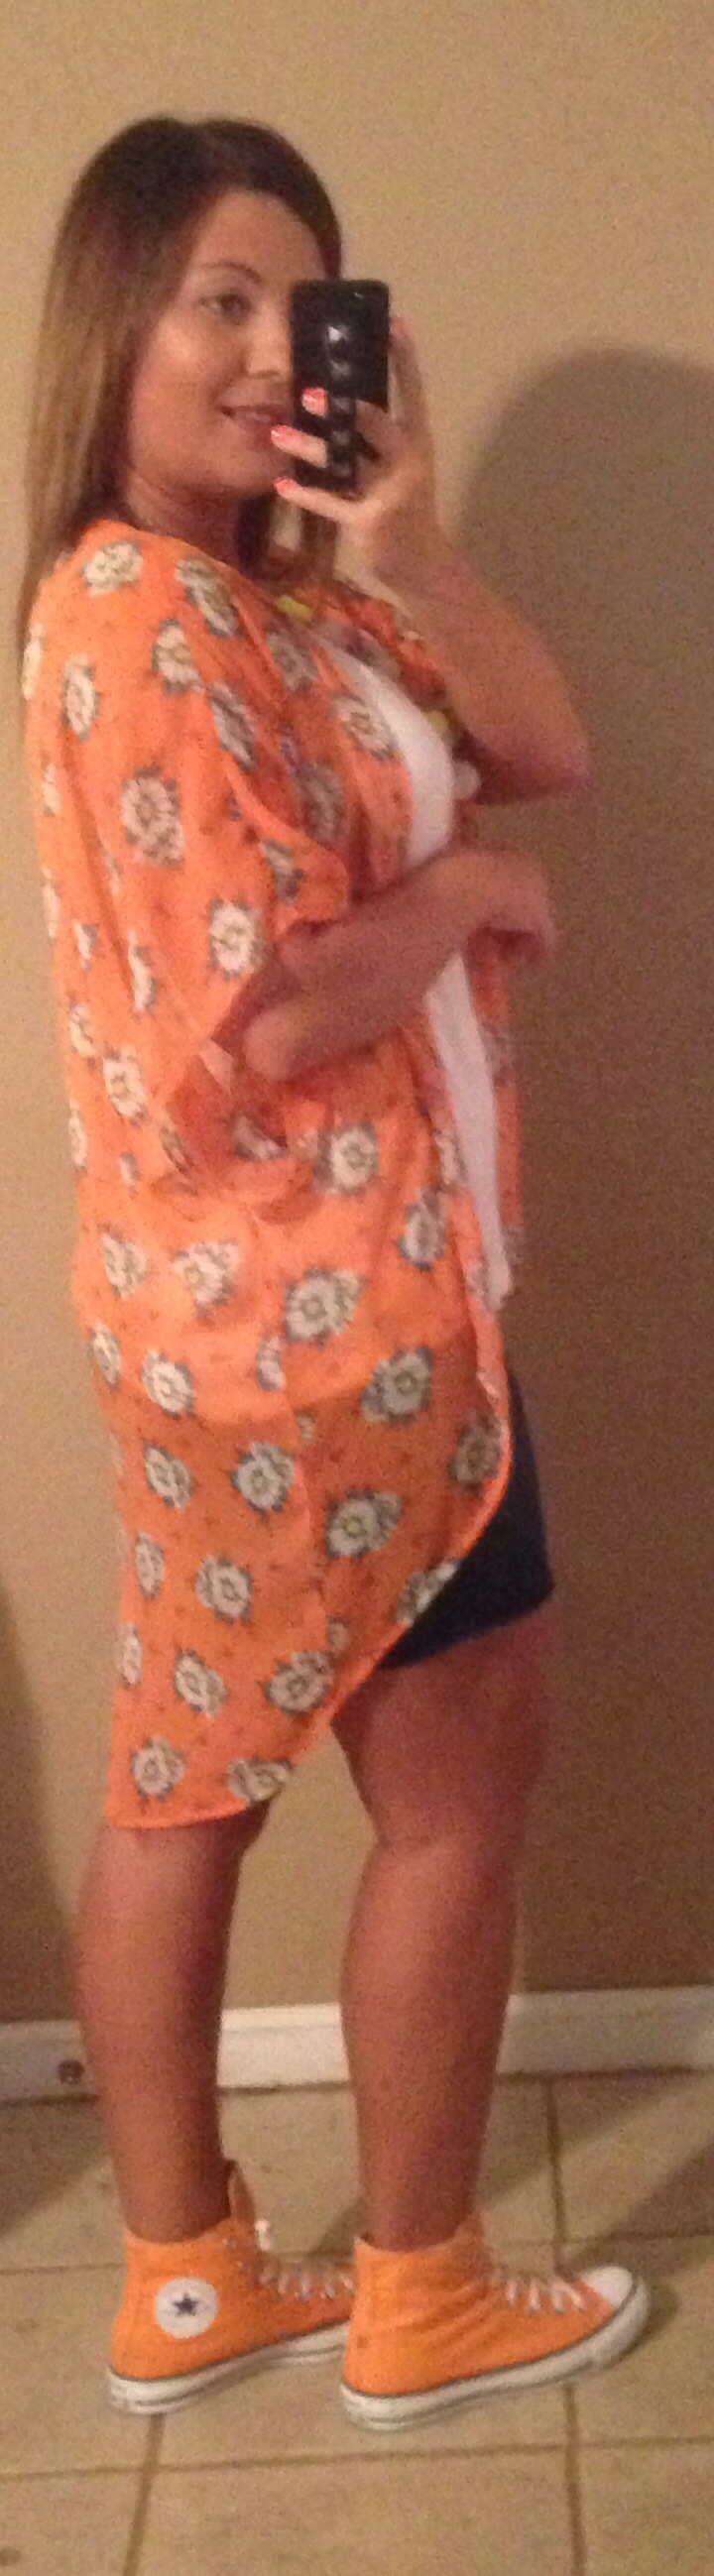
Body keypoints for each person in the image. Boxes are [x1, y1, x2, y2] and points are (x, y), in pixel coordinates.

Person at [19, 115, 649, 2427]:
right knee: (456, 1800)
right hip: (346, 1328)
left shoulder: (286, 598)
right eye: (220, 296)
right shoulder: (139, 613)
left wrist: (404, 532)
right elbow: (271, 1010)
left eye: (306, 299)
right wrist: (468, 900)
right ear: (114, 323)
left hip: (254, 1326)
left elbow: (547, 741)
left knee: (185, 1781)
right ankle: (420, 2293)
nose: (274, 341)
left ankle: (187, 2283)